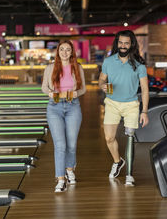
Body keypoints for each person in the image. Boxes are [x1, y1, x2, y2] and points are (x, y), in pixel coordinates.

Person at [98, 30, 149, 186]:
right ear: (117, 43)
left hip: (131, 105)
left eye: (126, 43)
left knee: (130, 138)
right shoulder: (108, 61)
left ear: (131, 44)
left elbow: (145, 89)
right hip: (112, 103)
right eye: (120, 43)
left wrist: (144, 111)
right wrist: (103, 86)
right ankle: (117, 161)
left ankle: (129, 175)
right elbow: (101, 80)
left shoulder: (139, 65)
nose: (123, 46)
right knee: (109, 138)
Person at [42, 41, 86, 192]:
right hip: (54, 107)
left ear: (72, 52)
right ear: (58, 51)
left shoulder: (78, 67)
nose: (65, 52)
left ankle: (69, 169)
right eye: (62, 49)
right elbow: (44, 87)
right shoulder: (50, 68)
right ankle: (61, 180)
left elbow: (83, 89)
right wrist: (49, 92)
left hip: (73, 106)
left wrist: (76, 93)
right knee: (60, 145)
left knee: (71, 145)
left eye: (68, 50)